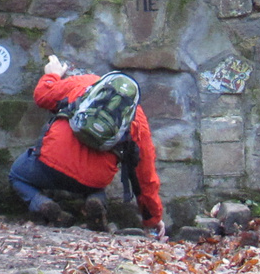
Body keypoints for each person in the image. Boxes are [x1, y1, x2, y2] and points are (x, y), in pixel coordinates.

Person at [11, 55, 164, 234]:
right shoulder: (138, 119)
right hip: (91, 179)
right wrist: (153, 219)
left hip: (49, 164)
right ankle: (96, 203)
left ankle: (43, 204)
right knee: (97, 188)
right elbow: (145, 175)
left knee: (17, 176)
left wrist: (52, 76)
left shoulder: (85, 83)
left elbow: (42, 96)